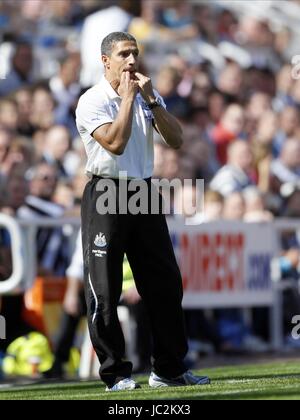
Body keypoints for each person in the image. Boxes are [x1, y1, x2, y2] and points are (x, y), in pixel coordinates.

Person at [75, 31, 210, 392]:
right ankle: (115, 373)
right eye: (124, 54)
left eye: (135, 52)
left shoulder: (145, 97)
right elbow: (115, 144)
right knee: (104, 289)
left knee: (165, 283)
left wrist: (150, 100)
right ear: (106, 61)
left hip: (144, 190)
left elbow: (176, 140)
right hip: (106, 190)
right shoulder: (92, 100)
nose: (132, 60)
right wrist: (128, 98)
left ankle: (168, 369)